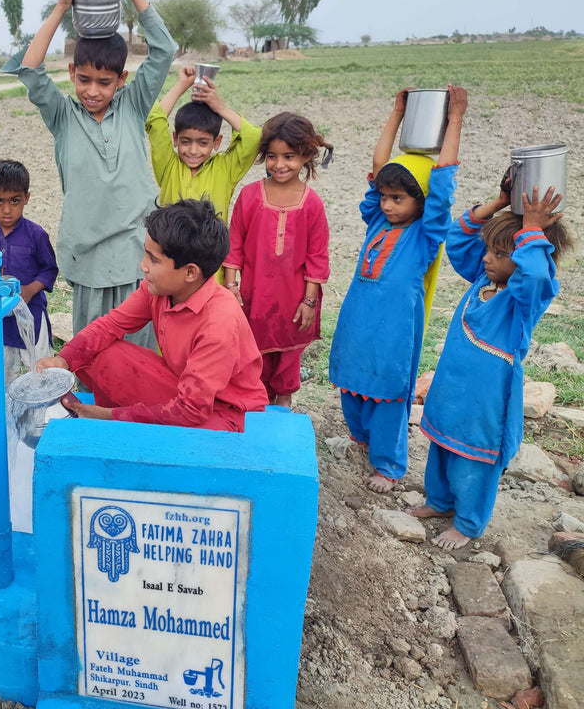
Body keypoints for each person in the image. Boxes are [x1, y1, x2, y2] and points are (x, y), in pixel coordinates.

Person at [2, 0, 175, 348]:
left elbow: (164, 49)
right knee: (94, 356)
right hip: (89, 261)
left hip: (137, 255)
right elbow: (30, 67)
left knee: (140, 355)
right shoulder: (63, 115)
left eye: (104, 82)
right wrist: (62, 5)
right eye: (84, 80)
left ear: (121, 79)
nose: (93, 91)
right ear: (71, 73)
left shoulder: (133, 106)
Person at [409, 183, 571, 549]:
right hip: (452, 389)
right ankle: (440, 502)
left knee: (474, 461)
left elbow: (536, 274)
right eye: (488, 249)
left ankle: (468, 523)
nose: (486, 258)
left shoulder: (523, 300)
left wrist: (532, 228)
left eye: (499, 253)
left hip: (487, 402)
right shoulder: (484, 278)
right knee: (443, 446)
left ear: (526, 254)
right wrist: (499, 202)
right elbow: (457, 240)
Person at [328, 86, 467, 493]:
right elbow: (378, 167)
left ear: (420, 202)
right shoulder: (377, 222)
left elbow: (442, 184)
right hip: (358, 323)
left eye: (398, 199)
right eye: (385, 197)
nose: (388, 205)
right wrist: (397, 113)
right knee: (351, 381)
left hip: (393, 331)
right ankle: (361, 438)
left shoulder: (426, 234)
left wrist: (454, 119)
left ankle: (389, 465)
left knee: (387, 392)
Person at [36, 200, 268, 431]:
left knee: (192, 435)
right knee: (96, 352)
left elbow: (191, 411)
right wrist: (63, 360)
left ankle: (115, 424)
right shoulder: (160, 290)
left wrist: (108, 415)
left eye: (154, 259)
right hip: (181, 388)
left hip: (222, 412)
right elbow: (109, 326)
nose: (143, 266)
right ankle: (120, 424)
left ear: (190, 272)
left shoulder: (219, 324)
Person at [223, 113, 332, 409]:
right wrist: (231, 286)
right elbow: (235, 244)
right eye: (272, 156)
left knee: (285, 373)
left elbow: (317, 256)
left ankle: (283, 418)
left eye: (289, 156)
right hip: (253, 301)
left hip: (294, 305)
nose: (279, 164)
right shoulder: (250, 196)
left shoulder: (311, 203)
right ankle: (256, 421)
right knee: (252, 368)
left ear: (306, 156)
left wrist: (309, 301)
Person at [0, 159, 58, 386]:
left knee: (39, 372)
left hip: (31, 314)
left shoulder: (36, 235)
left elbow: (49, 269)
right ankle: (6, 407)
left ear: (26, 198)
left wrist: (31, 289)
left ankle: (42, 408)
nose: (7, 209)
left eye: (14, 201)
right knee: (2, 374)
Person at [145, 65, 261, 220]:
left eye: (203, 143)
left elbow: (254, 137)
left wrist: (221, 108)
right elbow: (154, 119)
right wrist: (182, 85)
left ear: (217, 142)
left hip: (211, 238)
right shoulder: (168, 166)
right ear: (175, 139)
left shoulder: (226, 169)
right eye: (185, 141)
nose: (193, 151)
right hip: (169, 238)